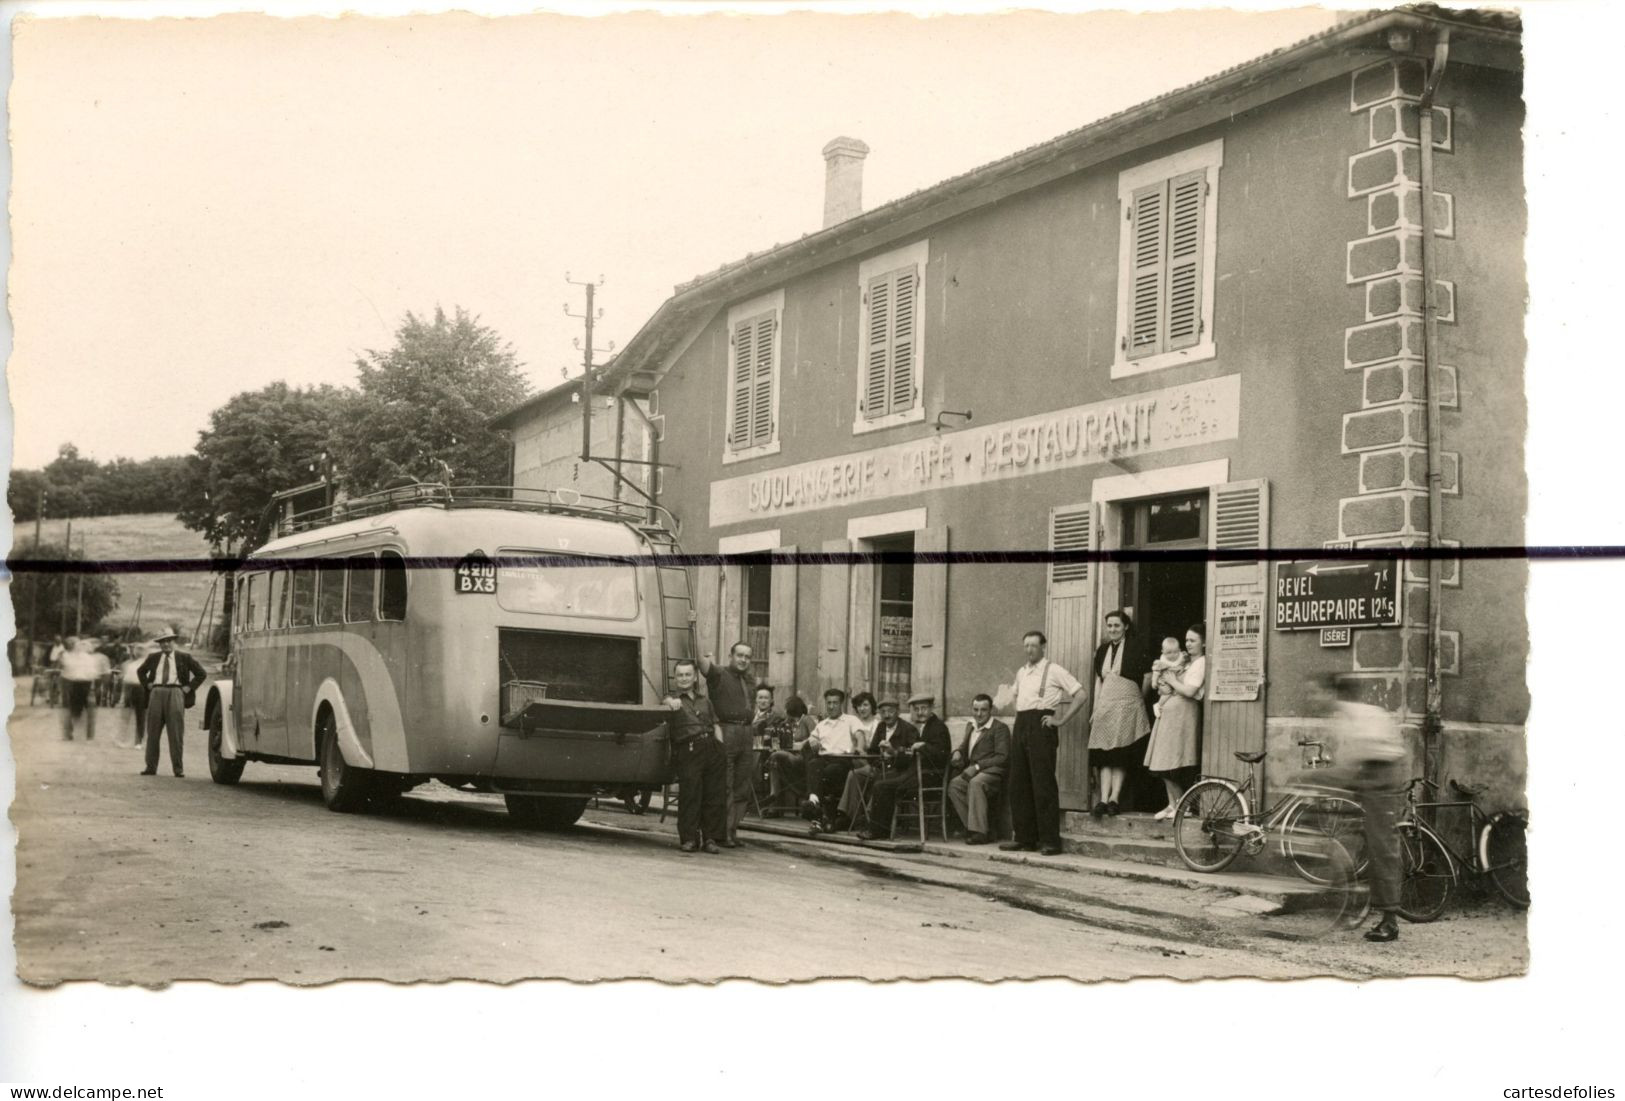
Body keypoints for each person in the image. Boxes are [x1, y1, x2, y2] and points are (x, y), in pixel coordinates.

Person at [1318, 673, 1408, 943]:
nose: (1316, 699)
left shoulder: (1358, 717)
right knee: (1360, 839)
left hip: (1380, 779)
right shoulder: (1352, 716)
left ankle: (1390, 921)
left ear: (1335, 694)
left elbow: (1357, 761)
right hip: (1370, 776)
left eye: (1320, 693)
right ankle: (1353, 904)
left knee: (1382, 849)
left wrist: (1319, 777)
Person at [999, 631, 1087, 855]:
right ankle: (1025, 838)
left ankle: (1050, 841)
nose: (1029, 650)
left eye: (1033, 646)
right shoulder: (1022, 672)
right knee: (1019, 782)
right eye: (1026, 646)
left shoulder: (1054, 670)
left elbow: (1081, 694)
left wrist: (1060, 720)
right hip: (1021, 724)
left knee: (1043, 783)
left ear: (1043, 647)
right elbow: (1014, 697)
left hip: (1042, 725)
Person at [857, 694, 952, 841]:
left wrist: (924, 746)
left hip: (929, 778)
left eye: (924, 708)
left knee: (882, 786)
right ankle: (874, 826)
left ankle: (878, 831)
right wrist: (896, 752)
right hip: (916, 774)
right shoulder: (923, 727)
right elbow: (910, 755)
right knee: (883, 781)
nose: (920, 712)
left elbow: (943, 755)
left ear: (932, 708)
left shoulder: (938, 727)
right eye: (917, 709)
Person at [1087, 610, 1151, 817]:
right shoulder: (1102, 650)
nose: (1112, 629)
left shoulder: (1136, 647)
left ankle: (1115, 798)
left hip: (1128, 705)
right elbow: (1100, 681)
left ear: (1126, 626)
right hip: (1106, 706)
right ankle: (1103, 799)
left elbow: (1148, 676)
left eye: (1116, 625)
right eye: (1110, 626)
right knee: (1104, 754)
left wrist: (1138, 699)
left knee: (1120, 754)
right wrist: (1096, 709)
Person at [663, 658, 728, 854]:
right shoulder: (671, 700)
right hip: (688, 749)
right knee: (690, 794)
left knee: (713, 794)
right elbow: (664, 703)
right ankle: (689, 838)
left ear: (694, 677)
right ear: (675, 678)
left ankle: (710, 839)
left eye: (687, 675)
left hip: (712, 748)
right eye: (680, 675)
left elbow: (716, 723)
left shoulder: (705, 700)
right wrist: (670, 702)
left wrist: (720, 747)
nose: (683, 679)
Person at [1145, 624, 1207, 819]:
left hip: (1182, 715)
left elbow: (1189, 691)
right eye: (1187, 640)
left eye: (1193, 640)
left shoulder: (1201, 663)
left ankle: (1183, 805)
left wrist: (1171, 681)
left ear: (1204, 642)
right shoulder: (1186, 661)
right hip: (1170, 715)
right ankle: (1173, 804)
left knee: (1171, 763)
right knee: (1161, 762)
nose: (1188, 644)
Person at [700, 642, 759, 847]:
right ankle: (722, 833)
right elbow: (701, 662)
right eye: (739, 655)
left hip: (746, 733)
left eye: (747, 657)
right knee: (726, 784)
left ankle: (732, 832)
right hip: (726, 731)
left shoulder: (750, 680)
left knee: (742, 785)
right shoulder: (719, 674)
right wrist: (693, 624)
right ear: (730, 656)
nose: (743, 660)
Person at [835, 697, 917, 832]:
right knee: (854, 775)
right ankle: (850, 817)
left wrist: (893, 752)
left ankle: (870, 820)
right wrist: (879, 758)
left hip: (898, 770)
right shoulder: (881, 727)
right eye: (883, 712)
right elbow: (872, 751)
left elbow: (910, 757)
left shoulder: (909, 729)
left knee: (882, 780)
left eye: (890, 711)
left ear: (898, 712)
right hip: (879, 766)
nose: (887, 715)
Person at [136, 630, 208, 777]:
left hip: (176, 693)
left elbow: (201, 673)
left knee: (175, 733)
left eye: (169, 641)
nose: (166, 644)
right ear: (159, 644)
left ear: (174, 642)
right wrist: (148, 684)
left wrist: (188, 687)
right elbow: (141, 671)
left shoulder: (184, 657)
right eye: (163, 641)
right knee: (153, 732)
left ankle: (178, 769)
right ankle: (150, 767)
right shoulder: (153, 657)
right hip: (156, 693)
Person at [800, 688, 866, 831]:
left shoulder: (850, 720)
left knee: (827, 772)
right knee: (813, 764)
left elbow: (860, 735)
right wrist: (812, 740)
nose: (831, 706)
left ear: (841, 704)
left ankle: (815, 809)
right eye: (828, 703)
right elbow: (811, 738)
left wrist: (860, 749)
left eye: (835, 703)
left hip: (843, 760)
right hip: (824, 759)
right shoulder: (822, 724)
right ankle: (815, 805)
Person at [949, 693, 1011, 844]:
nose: (979, 714)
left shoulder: (999, 728)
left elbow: (1002, 757)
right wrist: (957, 752)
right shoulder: (970, 726)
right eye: (975, 709)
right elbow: (964, 747)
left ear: (991, 710)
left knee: (976, 783)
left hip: (993, 772)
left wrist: (977, 766)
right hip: (974, 771)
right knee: (954, 786)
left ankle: (980, 833)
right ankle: (976, 828)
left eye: (983, 710)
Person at [765, 694, 816, 816]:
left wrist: (801, 744)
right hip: (789, 756)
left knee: (776, 756)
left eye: (787, 709)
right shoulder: (788, 722)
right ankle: (774, 803)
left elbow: (815, 737)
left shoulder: (806, 720)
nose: (785, 712)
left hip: (802, 757)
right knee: (776, 761)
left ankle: (774, 797)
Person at [58, 636, 109, 742]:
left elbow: (64, 673)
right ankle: (88, 735)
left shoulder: (71, 657)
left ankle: (69, 734)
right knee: (88, 710)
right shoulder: (95, 659)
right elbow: (100, 674)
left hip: (79, 685)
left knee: (72, 709)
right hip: (86, 685)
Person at [118, 643, 149, 749]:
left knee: (140, 716)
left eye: (140, 651)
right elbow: (125, 680)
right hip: (130, 688)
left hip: (141, 689)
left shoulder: (147, 664)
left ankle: (138, 741)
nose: (137, 653)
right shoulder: (128, 664)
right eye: (136, 651)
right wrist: (123, 695)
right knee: (127, 716)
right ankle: (123, 739)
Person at [1150, 636, 1188, 720]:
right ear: (1162, 652)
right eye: (1169, 653)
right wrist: (1154, 682)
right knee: (1167, 692)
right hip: (1165, 680)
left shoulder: (1182, 657)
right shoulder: (1160, 662)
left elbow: (1187, 662)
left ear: (1179, 650)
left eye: (1175, 652)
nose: (1172, 655)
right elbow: (1156, 673)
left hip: (1176, 679)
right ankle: (1158, 704)